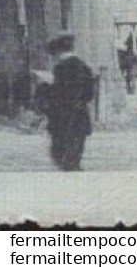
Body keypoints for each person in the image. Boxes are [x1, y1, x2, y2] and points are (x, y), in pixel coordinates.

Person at [40, 33, 96, 172]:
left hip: (62, 119)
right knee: (74, 158)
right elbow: (90, 93)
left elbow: (58, 94)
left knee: (62, 158)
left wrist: (45, 88)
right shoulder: (84, 67)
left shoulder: (61, 69)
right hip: (80, 118)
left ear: (57, 52)